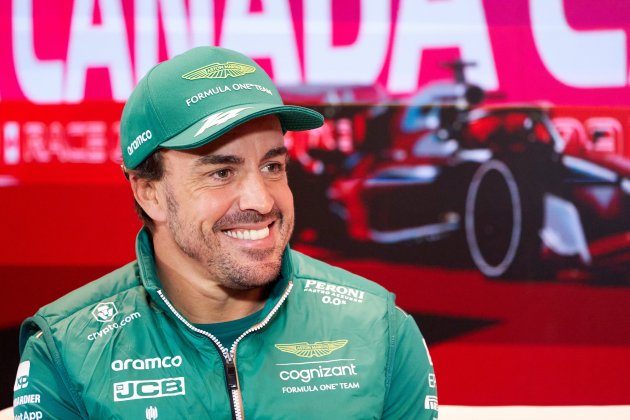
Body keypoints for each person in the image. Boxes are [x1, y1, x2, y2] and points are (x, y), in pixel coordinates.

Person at [13, 46, 438, 419]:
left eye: (272, 166)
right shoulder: (65, 352)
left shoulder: (379, 329)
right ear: (149, 193)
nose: (262, 201)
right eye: (221, 172)